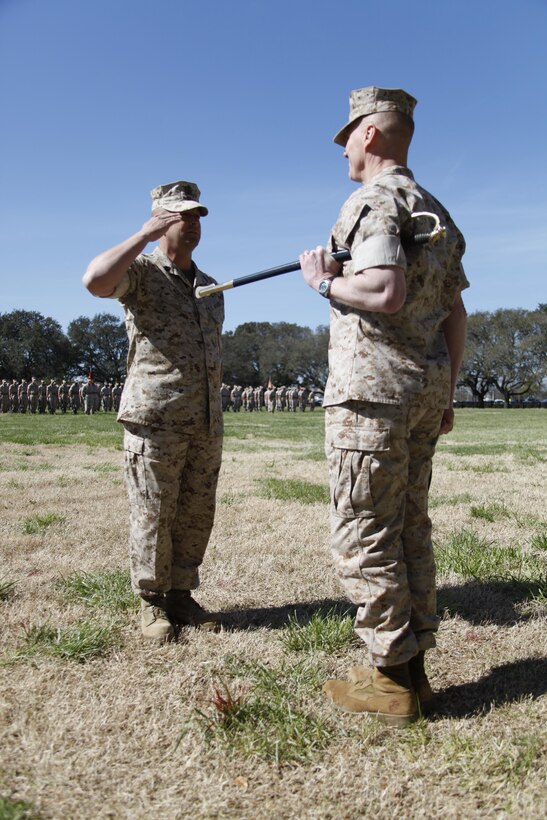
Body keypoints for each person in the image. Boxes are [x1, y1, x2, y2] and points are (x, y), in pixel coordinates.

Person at [299, 86, 468, 726]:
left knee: (364, 531)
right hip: (422, 389)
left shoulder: (372, 199)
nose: (343, 150)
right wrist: (445, 390)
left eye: (347, 138)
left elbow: (385, 289)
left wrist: (323, 281)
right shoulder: (436, 209)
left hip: (372, 394)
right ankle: (414, 671)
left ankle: (390, 681)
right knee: (407, 527)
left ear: (369, 134)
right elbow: (455, 310)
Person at [83, 180, 224, 643]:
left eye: (198, 216)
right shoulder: (141, 272)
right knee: (153, 512)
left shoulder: (209, 287)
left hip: (204, 421)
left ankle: (181, 593)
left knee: (195, 512)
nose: (193, 224)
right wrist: (141, 236)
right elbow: (95, 280)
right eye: (182, 215)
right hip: (155, 417)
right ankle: (150, 601)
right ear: (160, 220)